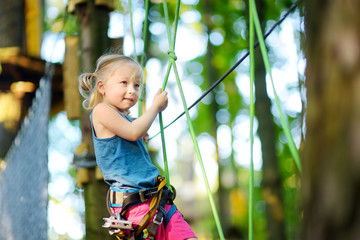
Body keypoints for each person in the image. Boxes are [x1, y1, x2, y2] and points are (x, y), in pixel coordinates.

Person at [79, 54, 197, 240]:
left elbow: (134, 129)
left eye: (136, 85)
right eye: (124, 83)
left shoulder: (125, 120)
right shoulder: (101, 111)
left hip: (157, 200)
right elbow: (132, 131)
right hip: (135, 204)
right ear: (101, 87)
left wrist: (141, 127)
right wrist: (154, 108)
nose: (132, 90)